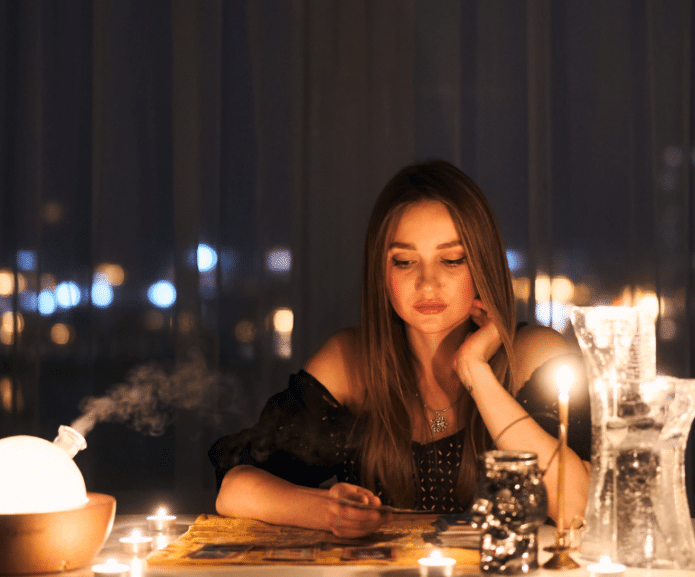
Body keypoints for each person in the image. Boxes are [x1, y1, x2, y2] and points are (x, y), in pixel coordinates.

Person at [209, 160, 590, 538]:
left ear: (483, 265)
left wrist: (475, 370)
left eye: (452, 260)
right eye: (405, 262)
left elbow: (577, 508)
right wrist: (326, 511)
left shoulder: (532, 355)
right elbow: (235, 490)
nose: (428, 284)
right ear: (382, 272)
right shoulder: (351, 361)